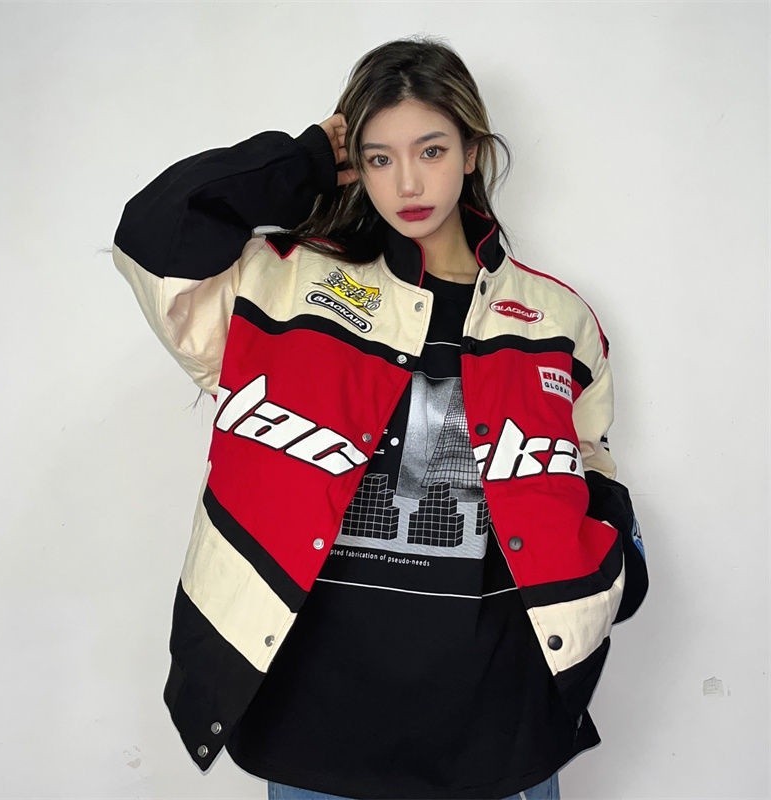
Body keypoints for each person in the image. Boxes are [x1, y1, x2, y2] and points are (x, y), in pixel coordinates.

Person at [112, 37, 647, 800]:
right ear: (354, 165)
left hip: (498, 719)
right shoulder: (282, 284)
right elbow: (155, 235)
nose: (408, 182)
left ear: (471, 151)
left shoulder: (556, 318)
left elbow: (588, 456)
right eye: (379, 158)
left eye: (431, 150)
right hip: (314, 722)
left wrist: (618, 557)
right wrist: (300, 161)